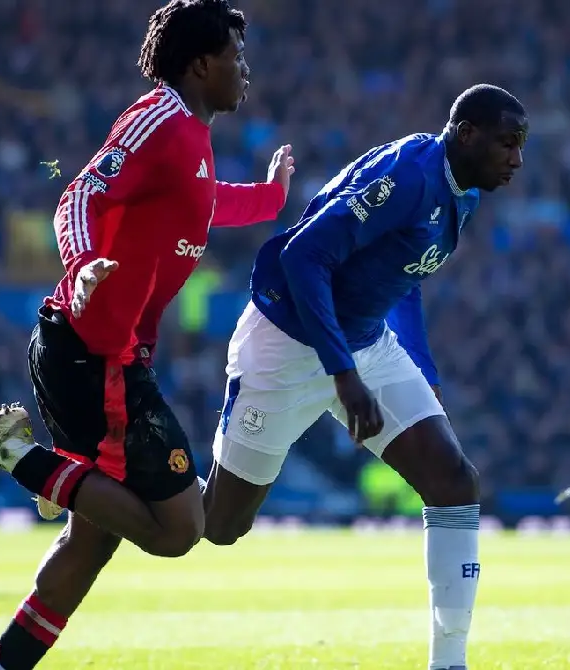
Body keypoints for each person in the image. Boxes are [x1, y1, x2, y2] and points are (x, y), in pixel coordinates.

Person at [0, 2, 293, 668]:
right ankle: (14, 454)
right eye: (237, 56)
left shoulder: (191, 139)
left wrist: (270, 197)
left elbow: (207, 202)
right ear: (201, 63)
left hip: (97, 354)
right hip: (96, 358)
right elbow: (78, 195)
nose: (247, 69)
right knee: (181, 529)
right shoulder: (158, 121)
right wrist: (85, 257)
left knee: (87, 546)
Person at [200, 83, 527, 670]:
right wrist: (343, 373)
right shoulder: (408, 175)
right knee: (218, 526)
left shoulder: (464, 194)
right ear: (467, 133)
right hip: (285, 344)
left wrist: (420, 370)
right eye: (508, 143)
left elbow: (404, 277)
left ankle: (449, 663)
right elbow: (303, 256)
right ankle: (95, 484)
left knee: (454, 482)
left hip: (366, 343)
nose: (517, 159)